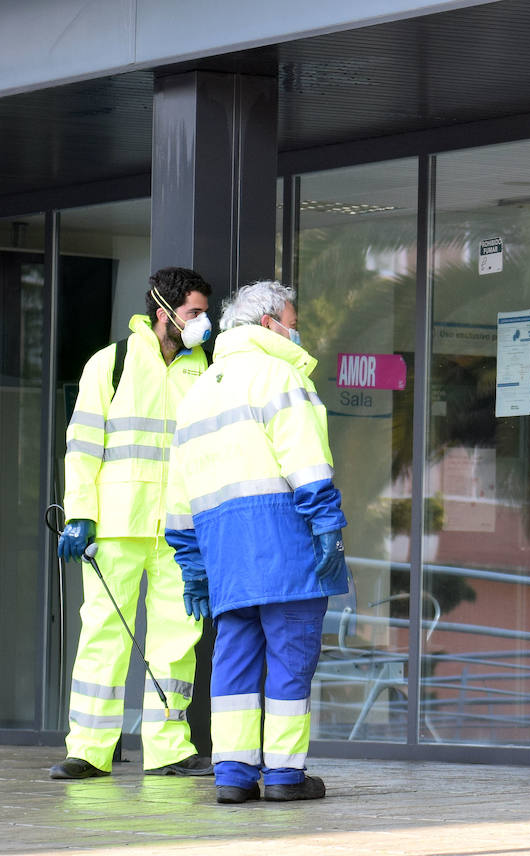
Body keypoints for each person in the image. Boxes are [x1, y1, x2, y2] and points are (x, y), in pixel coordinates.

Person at [164, 280, 347, 804]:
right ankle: (286, 777)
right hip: (285, 545)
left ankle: (234, 777)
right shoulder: (279, 376)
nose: (296, 329)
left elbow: (180, 496)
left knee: (235, 663)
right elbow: (307, 463)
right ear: (268, 324)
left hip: (226, 558)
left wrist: (194, 567)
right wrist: (327, 526)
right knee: (290, 659)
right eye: (292, 318)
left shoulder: (198, 393)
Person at [51, 267, 216, 780]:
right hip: (116, 525)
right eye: (194, 313)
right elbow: (82, 447)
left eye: (205, 313)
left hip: (179, 530)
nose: (202, 323)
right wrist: (79, 514)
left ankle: (168, 749)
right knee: (104, 635)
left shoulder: (206, 369)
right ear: (162, 310)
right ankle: (89, 749)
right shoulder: (112, 363)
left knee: (177, 640)